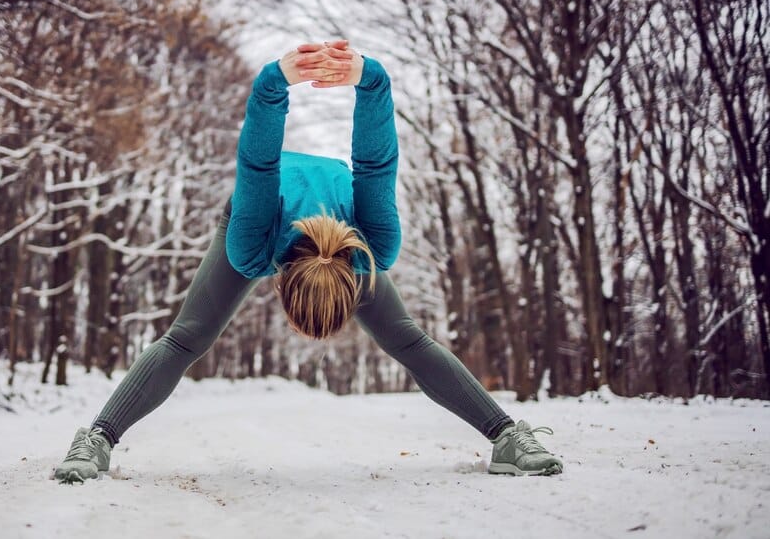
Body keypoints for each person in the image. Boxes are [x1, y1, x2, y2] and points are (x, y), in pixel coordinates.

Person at [53, 40, 563, 482]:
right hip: (263, 208)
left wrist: (360, 78)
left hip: (327, 207)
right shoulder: (252, 245)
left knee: (409, 337)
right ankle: (97, 437)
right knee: (186, 335)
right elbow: (260, 165)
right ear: (278, 280)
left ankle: (508, 437)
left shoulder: (370, 248)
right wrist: (314, 80)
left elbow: (372, 162)